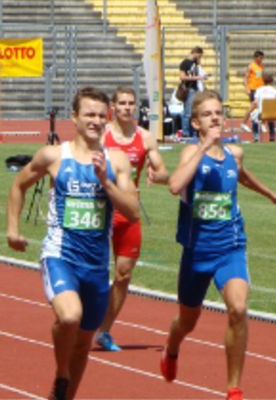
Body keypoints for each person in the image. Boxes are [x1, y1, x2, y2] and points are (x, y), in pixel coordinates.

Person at [6, 87, 140, 400]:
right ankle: (61, 370)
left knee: (82, 344)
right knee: (69, 316)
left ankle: (63, 391)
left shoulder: (117, 161)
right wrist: (12, 230)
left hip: (96, 264)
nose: (95, 120)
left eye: (100, 115)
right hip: (60, 255)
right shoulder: (54, 156)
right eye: (88, 114)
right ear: (75, 117)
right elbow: (18, 185)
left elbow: (132, 212)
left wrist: (105, 181)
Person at [159, 90, 276, 400]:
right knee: (187, 321)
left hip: (230, 247)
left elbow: (242, 176)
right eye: (207, 114)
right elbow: (176, 185)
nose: (216, 118)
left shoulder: (234, 153)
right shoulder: (190, 155)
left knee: (238, 308)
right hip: (196, 252)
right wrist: (203, 146)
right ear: (195, 123)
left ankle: (234, 388)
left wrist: (274, 197)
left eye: (219, 112)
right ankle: (172, 347)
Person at [94, 86, 169, 351]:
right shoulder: (101, 136)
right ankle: (80, 319)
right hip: (100, 213)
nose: (127, 108)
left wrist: (158, 176)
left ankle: (103, 330)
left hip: (128, 213)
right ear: (113, 107)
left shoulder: (146, 138)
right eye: (122, 103)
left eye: (131, 103)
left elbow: (163, 173)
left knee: (123, 275)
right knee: (94, 273)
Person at [179, 46, 207, 137]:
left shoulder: (195, 63)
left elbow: (198, 70)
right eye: (199, 56)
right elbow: (182, 77)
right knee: (187, 112)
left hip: (196, 89)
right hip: (189, 89)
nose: (199, 58)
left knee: (195, 111)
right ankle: (185, 133)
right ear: (195, 53)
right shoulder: (185, 63)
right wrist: (195, 78)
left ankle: (194, 132)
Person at [249, 72, 276, 142]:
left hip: (261, 114)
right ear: (272, 81)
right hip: (271, 113)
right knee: (271, 118)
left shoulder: (259, 90)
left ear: (263, 80)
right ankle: (272, 135)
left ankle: (256, 135)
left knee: (253, 117)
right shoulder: (275, 91)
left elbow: (255, 103)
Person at [241, 50, 265, 134]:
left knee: (260, 107)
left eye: (262, 58)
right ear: (256, 57)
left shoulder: (262, 66)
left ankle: (259, 123)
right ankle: (243, 123)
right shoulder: (251, 66)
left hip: (260, 89)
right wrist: (246, 88)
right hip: (253, 89)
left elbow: (260, 77)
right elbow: (246, 78)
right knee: (253, 106)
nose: (262, 59)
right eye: (260, 58)